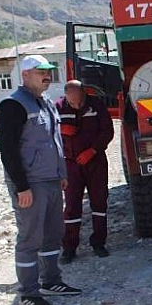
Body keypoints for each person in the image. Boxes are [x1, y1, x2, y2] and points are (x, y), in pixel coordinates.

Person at [0, 55, 82, 305]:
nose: (47, 75)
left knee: (52, 234)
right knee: (30, 239)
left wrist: (62, 173)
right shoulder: (13, 105)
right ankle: (29, 293)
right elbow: (8, 151)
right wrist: (21, 186)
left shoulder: (46, 103)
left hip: (51, 180)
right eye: (40, 71)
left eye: (48, 71)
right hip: (30, 184)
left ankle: (51, 281)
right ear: (25, 75)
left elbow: (54, 141)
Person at [55, 80, 114, 263]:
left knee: (99, 202)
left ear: (84, 94)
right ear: (66, 97)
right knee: (72, 206)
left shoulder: (96, 105)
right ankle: (69, 248)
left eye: (80, 101)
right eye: (73, 103)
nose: (77, 105)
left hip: (95, 162)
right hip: (71, 164)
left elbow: (107, 131)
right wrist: (61, 128)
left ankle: (98, 243)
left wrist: (92, 150)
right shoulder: (57, 107)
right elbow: (46, 131)